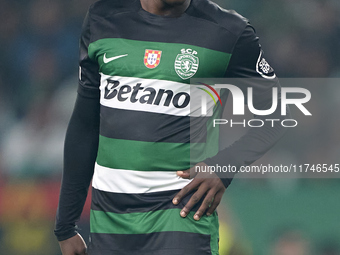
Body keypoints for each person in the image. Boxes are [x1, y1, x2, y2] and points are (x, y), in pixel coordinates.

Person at [54, 0, 288, 254]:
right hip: (110, 220)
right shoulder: (104, 17)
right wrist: (66, 225)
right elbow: (85, 124)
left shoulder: (229, 31)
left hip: (184, 215)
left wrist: (224, 166)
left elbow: (277, 114)